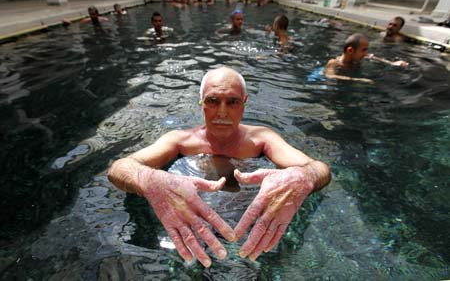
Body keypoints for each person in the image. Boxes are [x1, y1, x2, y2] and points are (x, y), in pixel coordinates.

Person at [107, 67, 331, 268]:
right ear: (201, 102)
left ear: (244, 103)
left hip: (251, 230)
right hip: (193, 229)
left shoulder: (262, 139)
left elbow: (318, 168)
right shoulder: (180, 141)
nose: (222, 112)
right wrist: (149, 180)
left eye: (232, 102)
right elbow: (120, 167)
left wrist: (302, 177)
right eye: (213, 100)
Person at [324, 33, 408, 83]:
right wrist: (359, 80)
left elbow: (373, 57)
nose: (366, 54)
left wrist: (391, 63)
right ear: (350, 50)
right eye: (363, 50)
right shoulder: (334, 62)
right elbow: (330, 76)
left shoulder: (356, 57)